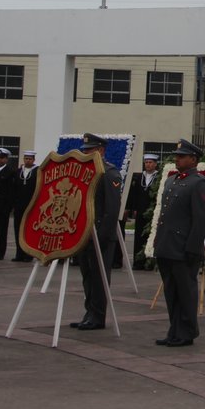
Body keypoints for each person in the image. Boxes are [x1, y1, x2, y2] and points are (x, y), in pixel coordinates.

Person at [153, 139, 205, 347]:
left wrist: (193, 248)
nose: (177, 159)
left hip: (183, 247)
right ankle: (174, 330)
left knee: (185, 292)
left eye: (181, 156)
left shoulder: (199, 183)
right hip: (167, 246)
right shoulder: (172, 181)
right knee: (172, 292)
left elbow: (201, 219)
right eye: (177, 156)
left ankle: (187, 332)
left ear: (193, 159)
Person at [69, 134, 123, 331]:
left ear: (100, 151)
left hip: (101, 236)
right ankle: (89, 312)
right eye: (84, 150)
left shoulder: (109, 174)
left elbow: (111, 210)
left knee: (99, 277)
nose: (85, 153)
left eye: (89, 150)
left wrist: (100, 237)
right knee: (87, 276)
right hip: (85, 234)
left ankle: (98, 316)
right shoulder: (86, 173)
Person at [126, 152, 161, 269]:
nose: (148, 165)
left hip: (151, 211)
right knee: (138, 236)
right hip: (140, 210)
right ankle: (138, 262)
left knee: (149, 236)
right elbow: (134, 194)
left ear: (155, 164)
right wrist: (134, 209)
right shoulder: (140, 177)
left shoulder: (158, 177)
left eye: (150, 162)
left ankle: (149, 262)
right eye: (146, 162)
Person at [11, 150, 38, 261]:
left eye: (30, 159)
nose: (27, 160)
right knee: (18, 229)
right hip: (19, 206)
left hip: (30, 206)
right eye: (26, 158)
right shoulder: (18, 172)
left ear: (33, 160)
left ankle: (28, 254)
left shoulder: (37, 172)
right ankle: (19, 254)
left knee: (28, 231)